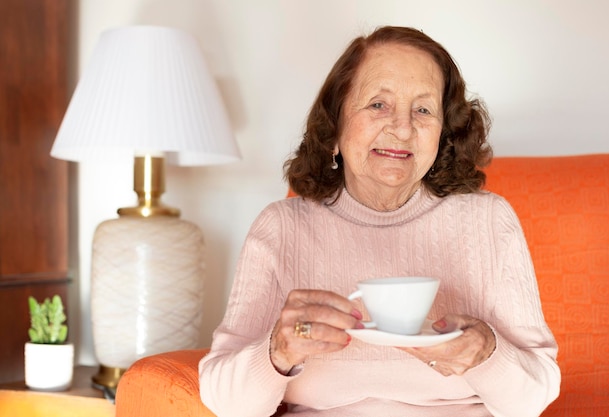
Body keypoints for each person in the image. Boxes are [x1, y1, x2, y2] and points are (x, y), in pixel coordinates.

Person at [199, 26, 560, 417]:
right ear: (334, 128)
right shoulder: (280, 229)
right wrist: (278, 349)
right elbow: (226, 404)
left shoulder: (488, 221)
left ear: (443, 134)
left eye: (423, 110)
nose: (402, 128)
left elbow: (533, 398)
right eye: (378, 105)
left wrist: (486, 352)